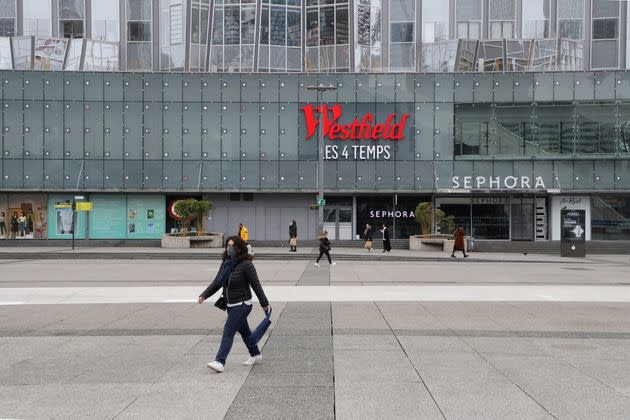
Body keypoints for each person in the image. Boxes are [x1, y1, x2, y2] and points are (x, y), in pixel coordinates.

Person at [198, 236, 270, 373]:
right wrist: (204, 295)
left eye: (232, 246)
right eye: (227, 245)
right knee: (245, 332)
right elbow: (217, 282)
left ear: (239, 248)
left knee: (228, 330)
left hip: (243, 304)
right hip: (230, 304)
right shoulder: (226, 263)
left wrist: (264, 303)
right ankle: (255, 354)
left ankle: (220, 361)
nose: (229, 248)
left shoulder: (246, 265)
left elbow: (256, 285)